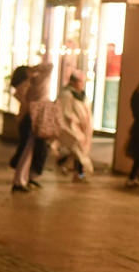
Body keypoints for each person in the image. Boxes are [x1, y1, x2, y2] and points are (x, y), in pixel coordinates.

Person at [11, 62, 54, 193]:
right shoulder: (29, 85)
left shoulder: (35, 82)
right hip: (31, 119)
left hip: (33, 119)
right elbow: (48, 67)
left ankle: (27, 178)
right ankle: (20, 180)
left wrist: (32, 70)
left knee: (33, 149)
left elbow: (49, 66)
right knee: (27, 150)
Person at [55, 72, 94, 182]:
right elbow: (63, 112)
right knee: (77, 150)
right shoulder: (67, 95)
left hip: (82, 129)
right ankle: (79, 172)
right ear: (72, 82)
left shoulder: (80, 95)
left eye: (82, 82)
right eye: (79, 81)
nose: (81, 84)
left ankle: (69, 167)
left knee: (78, 151)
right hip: (73, 128)